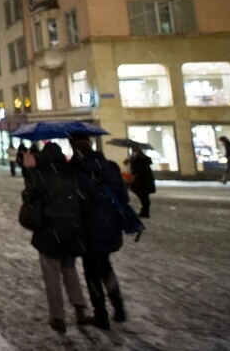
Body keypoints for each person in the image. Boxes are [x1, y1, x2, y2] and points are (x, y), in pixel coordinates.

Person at [23, 142, 91, 334]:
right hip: (72, 230)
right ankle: (79, 308)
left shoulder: (42, 176)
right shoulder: (72, 174)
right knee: (70, 269)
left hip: (49, 231)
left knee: (51, 274)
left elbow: (29, 197)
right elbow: (82, 201)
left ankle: (58, 316)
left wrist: (30, 173)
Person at [69, 135, 128, 329]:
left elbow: (73, 203)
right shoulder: (110, 167)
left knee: (92, 272)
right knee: (105, 266)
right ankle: (118, 306)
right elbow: (123, 197)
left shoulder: (75, 172)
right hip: (110, 226)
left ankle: (100, 314)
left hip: (88, 228)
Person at [127, 150, 155, 218]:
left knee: (144, 197)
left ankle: (145, 212)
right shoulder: (143, 160)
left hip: (141, 181)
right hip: (144, 181)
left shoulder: (140, 161)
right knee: (144, 197)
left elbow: (136, 170)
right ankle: (145, 211)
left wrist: (132, 162)